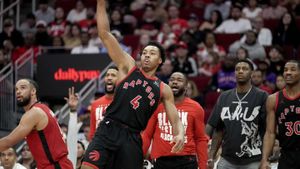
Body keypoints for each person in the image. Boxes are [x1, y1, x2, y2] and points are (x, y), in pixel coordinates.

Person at [81, 0, 185, 169]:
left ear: (160, 61)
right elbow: (104, 34)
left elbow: (175, 120)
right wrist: (100, 4)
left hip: (133, 136)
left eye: (152, 53)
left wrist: (179, 133)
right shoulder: (128, 67)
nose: (146, 55)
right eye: (144, 52)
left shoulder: (163, 89)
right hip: (109, 127)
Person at [206, 59, 268, 169]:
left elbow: (268, 130)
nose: (240, 71)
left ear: (251, 73)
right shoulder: (224, 96)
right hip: (227, 158)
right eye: (237, 69)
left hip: (253, 158)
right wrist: (210, 156)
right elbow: (218, 130)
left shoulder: (262, 96)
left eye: (245, 69)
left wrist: (265, 159)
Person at [0, 79, 73, 169]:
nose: (18, 91)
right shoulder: (42, 108)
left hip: (55, 166)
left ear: (33, 91)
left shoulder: (34, 113)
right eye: (16, 89)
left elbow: (8, 142)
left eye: (23, 88)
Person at [142, 72, 208, 169]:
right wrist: (138, 158)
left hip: (187, 160)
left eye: (179, 80)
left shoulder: (196, 108)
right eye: (172, 80)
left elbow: (200, 139)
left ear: (186, 87)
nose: (175, 82)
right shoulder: (156, 106)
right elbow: (147, 135)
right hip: (161, 161)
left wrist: (203, 167)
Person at [260, 60, 300, 169]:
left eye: (293, 69)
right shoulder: (273, 99)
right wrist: (264, 159)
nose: (288, 72)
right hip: (287, 155)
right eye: (286, 70)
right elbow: (270, 133)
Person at [89, 66, 118, 140]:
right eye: (107, 75)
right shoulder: (95, 104)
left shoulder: (124, 102)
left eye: (113, 75)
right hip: (99, 148)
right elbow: (92, 132)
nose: (109, 78)